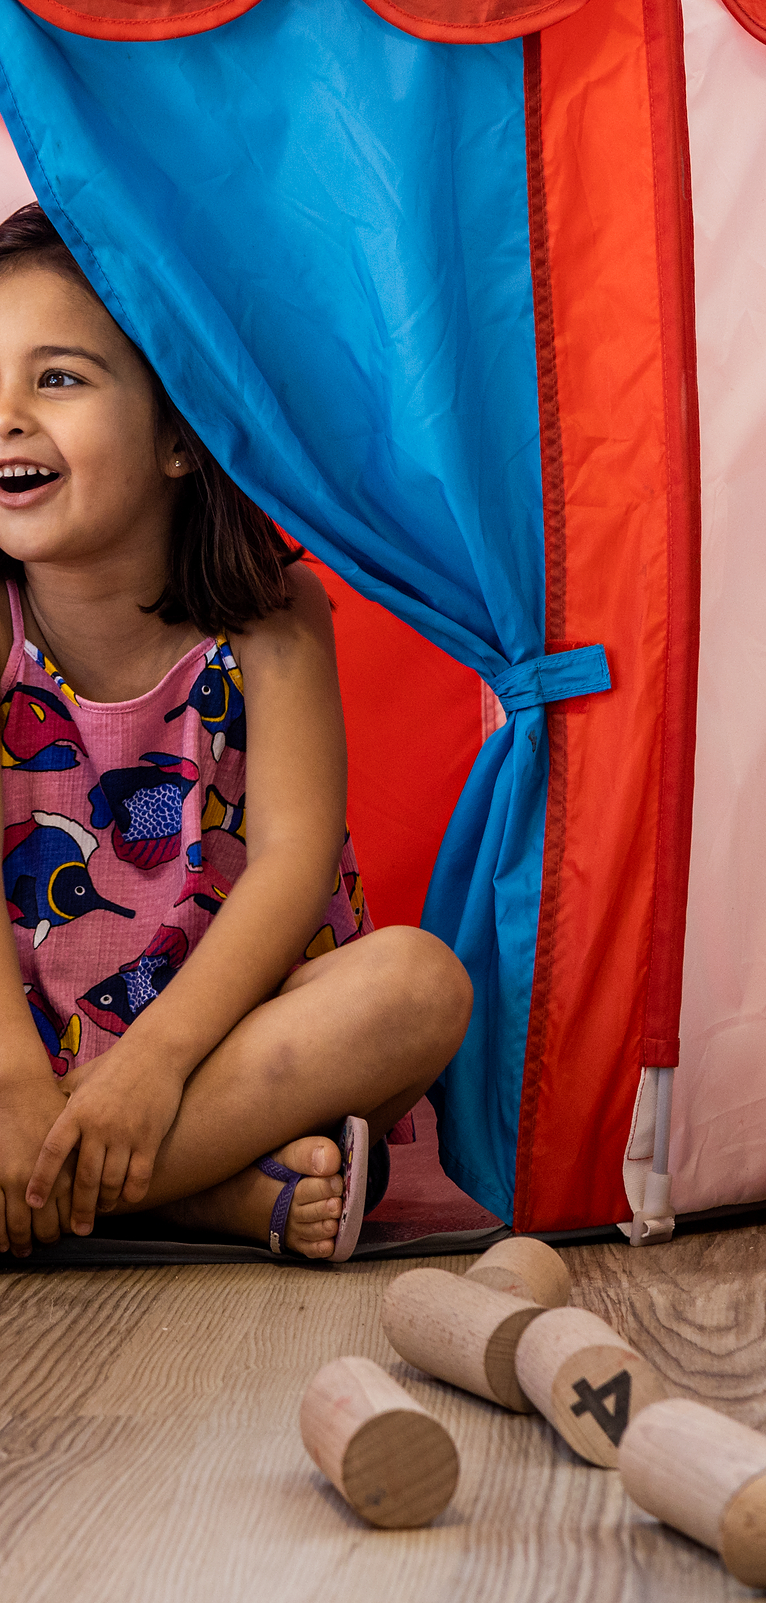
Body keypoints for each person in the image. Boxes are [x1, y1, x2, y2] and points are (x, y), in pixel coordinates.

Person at [0, 204, 471, 1261]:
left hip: (214, 1044)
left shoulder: (273, 615)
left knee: (417, 988)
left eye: (58, 378)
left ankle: (72, 1198)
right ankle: (193, 1194)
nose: (8, 416)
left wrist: (154, 1064)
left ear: (178, 433)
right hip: (16, 1057)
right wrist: (17, 1083)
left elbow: (295, 866)